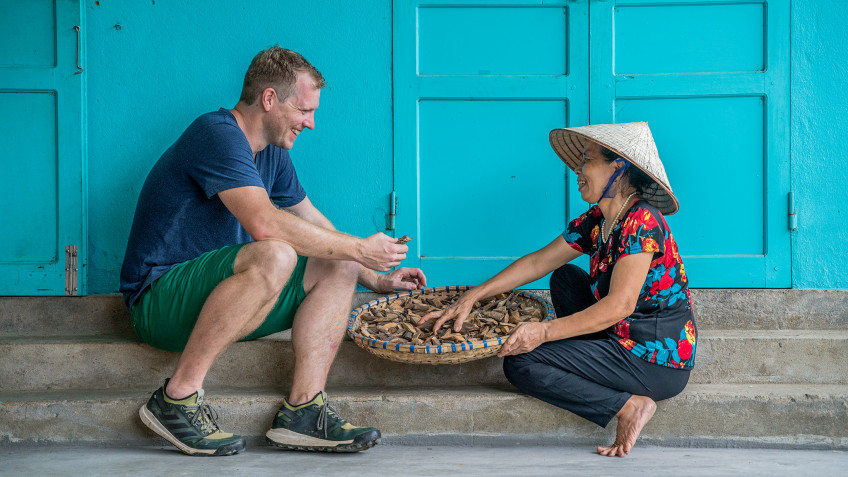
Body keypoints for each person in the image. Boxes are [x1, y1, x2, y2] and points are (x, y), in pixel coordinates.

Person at [119, 46, 426, 456]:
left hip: (225, 302)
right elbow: (264, 223)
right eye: (304, 110)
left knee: (339, 265)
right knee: (276, 252)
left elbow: (313, 220)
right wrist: (359, 247)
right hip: (159, 303)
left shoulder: (273, 154)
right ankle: (176, 400)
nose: (310, 122)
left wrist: (374, 275)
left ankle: (304, 412)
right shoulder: (215, 134)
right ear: (269, 99)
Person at [420, 122, 695, 457]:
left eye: (587, 160)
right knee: (564, 277)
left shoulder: (642, 221)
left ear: (618, 167)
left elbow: (619, 306)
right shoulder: (598, 220)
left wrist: (544, 332)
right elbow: (538, 262)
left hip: (653, 358)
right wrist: (472, 296)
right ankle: (588, 357)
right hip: (619, 335)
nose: (578, 171)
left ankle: (630, 406)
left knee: (521, 364)